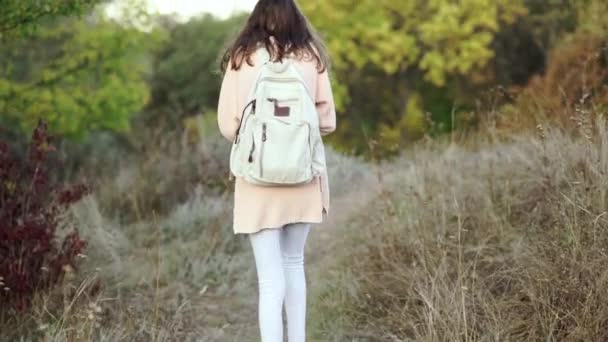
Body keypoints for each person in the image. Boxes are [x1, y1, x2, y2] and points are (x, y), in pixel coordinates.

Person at [216, 0, 337, 341]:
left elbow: (228, 125)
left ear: (257, 18)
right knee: (294, 264)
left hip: (257, 182)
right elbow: (327, 122)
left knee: (270, 280)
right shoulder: (311, 57)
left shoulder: (243, 58)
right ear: (296, 18)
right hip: (303, 178)